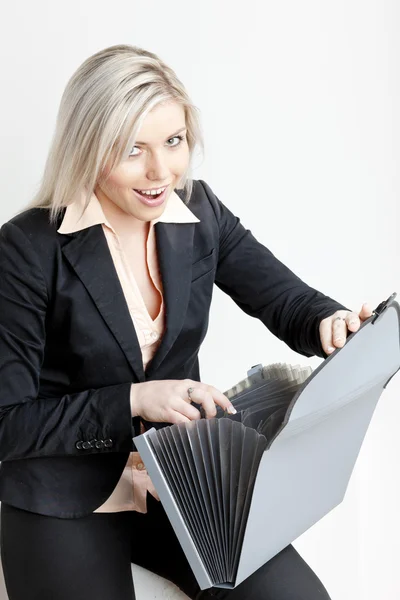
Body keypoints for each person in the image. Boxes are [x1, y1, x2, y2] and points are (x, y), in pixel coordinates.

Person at [0, 44, 372, 600]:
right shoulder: (26, 248)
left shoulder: (199, 213)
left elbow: (287, 301)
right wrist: (133, 400)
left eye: (173, 142)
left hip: (179, 478)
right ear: (89, 147)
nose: (161, 172)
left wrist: (330, 323)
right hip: (64, 492)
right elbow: (8, 421)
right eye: (133, 150)